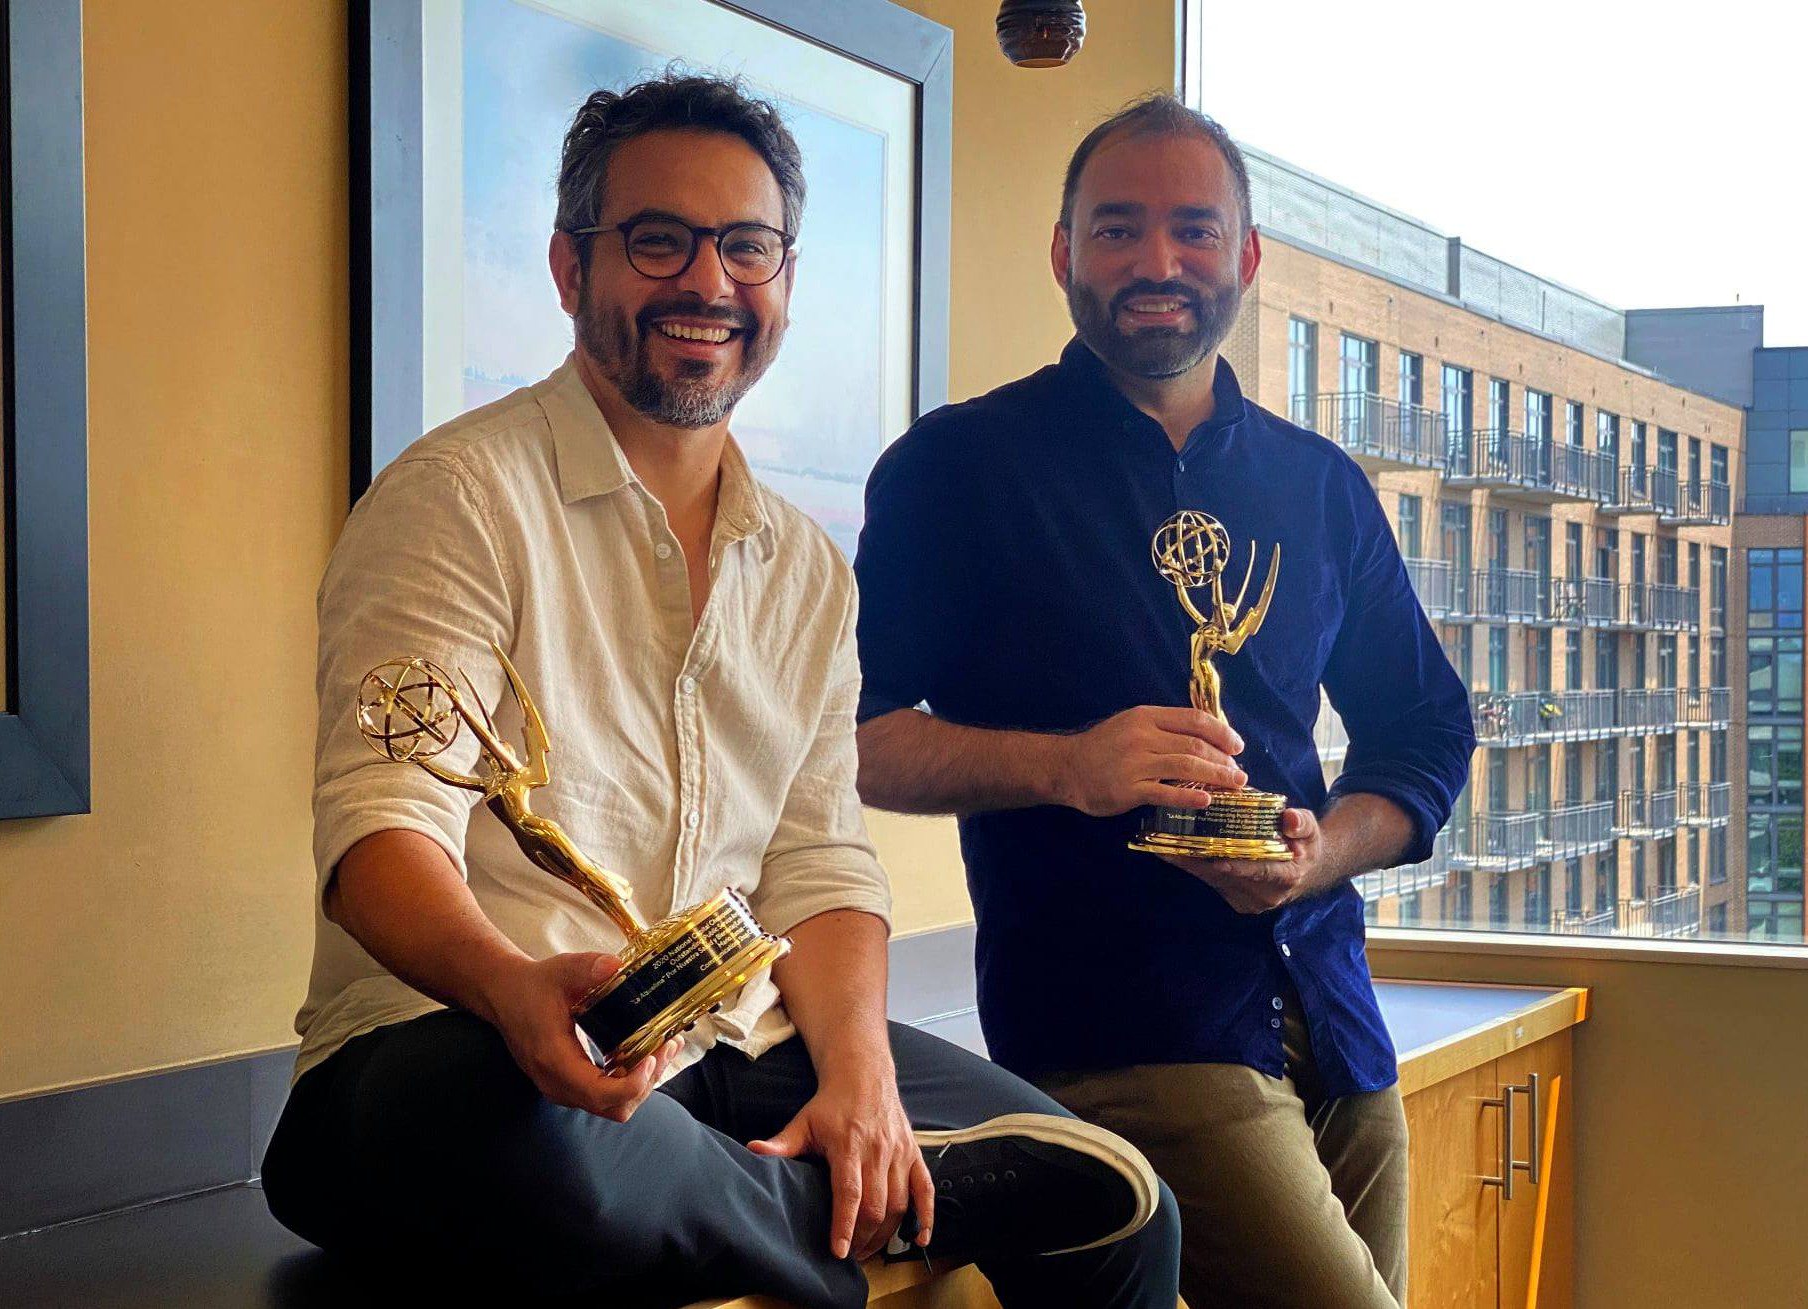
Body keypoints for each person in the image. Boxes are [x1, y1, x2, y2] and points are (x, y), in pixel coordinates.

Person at [260, 73, 1180, 1308]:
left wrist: (858, 1074)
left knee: (1125, 1207)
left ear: (783, 280)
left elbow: (820, 862)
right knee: (531, 1143)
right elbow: (380, 827)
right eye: (656, 240)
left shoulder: (804, 566)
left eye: (746, 247)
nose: (706, 283)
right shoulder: (456, 500)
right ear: (568, 268)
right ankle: (801, 1221)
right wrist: (511, 985)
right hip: (457, 1050)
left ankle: (726, 1202)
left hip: (727, 1044)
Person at [853, 94, 1476, 1308]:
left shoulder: (1319, 486)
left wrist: (1316, 856)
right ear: (1062, 253)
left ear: (1242, 258)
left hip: (1334, 1012)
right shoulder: (955, 468)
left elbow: (1423, 732)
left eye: (1193, 230)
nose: (1156, 264)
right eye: (1117, 230)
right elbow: (855, 741)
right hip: (1118, 1027)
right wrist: (1063, 766)